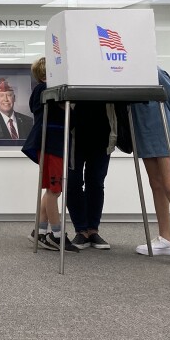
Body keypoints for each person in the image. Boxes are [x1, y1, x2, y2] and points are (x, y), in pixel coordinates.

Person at [130, 68, 170, 268]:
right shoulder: (125, 75)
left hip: (166, 129)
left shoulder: (155, 72)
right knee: (156, 185)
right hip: (145, 132)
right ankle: (166, 239)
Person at [21, 58, 79, 253]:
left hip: (54, 144)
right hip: (52, 144)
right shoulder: (44, 90)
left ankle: (40, 231)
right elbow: (57, 110)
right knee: (54, 191)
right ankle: (56, 235)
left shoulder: (44, 90)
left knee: (52, 189)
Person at [67, 101, 112, 250]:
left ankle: (93, 230)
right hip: (74, 129)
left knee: (96, 182)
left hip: (103, 128)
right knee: (72, 182)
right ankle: (81, 230)